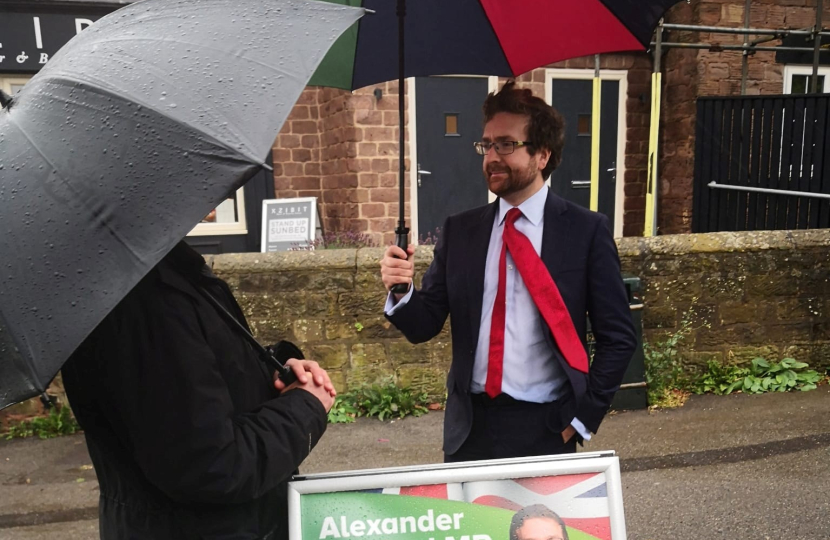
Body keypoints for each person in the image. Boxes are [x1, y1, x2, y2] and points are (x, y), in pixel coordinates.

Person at [380, 81, 636, 462]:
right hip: (470, 432)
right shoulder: (461, 231)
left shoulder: (585, 231)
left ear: (542, 156)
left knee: (540, 526)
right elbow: (425, 324)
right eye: (487, 144)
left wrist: (583, 418)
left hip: (548, 427)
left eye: (506, 144)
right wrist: (402, 290)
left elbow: (617, 338)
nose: (491, 156)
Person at [62, 241, 335, 540]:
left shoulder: (165, 272)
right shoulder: (149, 302)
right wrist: (306, 405)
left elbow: (199, 384)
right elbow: (211, 466)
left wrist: (275, 372)